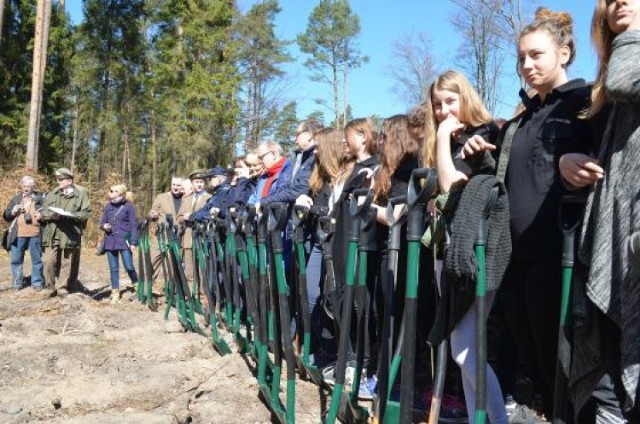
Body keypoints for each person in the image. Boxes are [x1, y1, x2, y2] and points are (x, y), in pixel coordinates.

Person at [462, 8, 594, 419]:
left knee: (567, 370)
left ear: (565, 52)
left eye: (536, 55)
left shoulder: (586, 103)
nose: (526, 65)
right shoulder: (522, 120)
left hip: (560, 260)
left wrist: (582, 159)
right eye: (521, 57)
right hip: (513, 259)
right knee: (534, 368)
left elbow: (609, 164)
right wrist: (478, 155)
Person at [560, 1, 640, 421]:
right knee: (605, 388)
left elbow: (628, 79)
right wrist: (566, 163)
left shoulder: (626, 69)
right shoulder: (605, 87)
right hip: (607, 250)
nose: (619, 1)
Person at [423, 70, 506, 424]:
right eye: (438, 104)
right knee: (463, 352)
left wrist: (442, 139)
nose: (443, 111)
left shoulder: (482, 134)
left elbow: (449, 185)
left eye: (451, 101)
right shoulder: (451, 140)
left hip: (477, 254)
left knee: (469, 353)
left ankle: (498, 419)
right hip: (448, 253)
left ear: (466, 97)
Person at [41, 168, 91, 296]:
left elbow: (86, 213)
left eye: (61, 179)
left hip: (70, 233)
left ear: (69, 180)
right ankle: (49, 287)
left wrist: (72, 215)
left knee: (67, 262)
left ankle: (63, 287)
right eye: (58, 179)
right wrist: (51, 216)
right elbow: (44, 211)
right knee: (48, 260)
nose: (58, 182)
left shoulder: (81, 195)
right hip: (53, 232)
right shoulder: (53, 193)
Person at [261, 119, 323, 206]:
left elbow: (298, 191)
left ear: (309, 135)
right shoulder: (304, 159)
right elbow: (288, 188)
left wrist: (264, 201)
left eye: (297, 134)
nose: (295, 139)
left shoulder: (314, 158)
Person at [2, 176, 45, 291]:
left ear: (33, 187)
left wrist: (42, 216)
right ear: (21, 186)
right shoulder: (16, 199)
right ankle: (17, 283)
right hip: (18, 235)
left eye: (29, 186)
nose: (26, 188)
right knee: (16, 260)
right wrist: (12, 211)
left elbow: (47, 213)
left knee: (37, 260)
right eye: (24, 186)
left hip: (35, 234)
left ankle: (37, 283)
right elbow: (6, 216)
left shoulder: (40, 199)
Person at [99, 184, 139, 303]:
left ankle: (137, 286)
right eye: (111, 190)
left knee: (129, 266)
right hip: (110, 241)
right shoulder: (108, 206)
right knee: (113, 268)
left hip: (124, 241)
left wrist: (134, 241)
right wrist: (104, 226)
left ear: (120, 194)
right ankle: (115, 292)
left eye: (114, 191)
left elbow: (133, 225)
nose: (110, 192)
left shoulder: (128, 206)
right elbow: (102, 222)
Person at [177, 170, 211, 285]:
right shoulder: (186, 199)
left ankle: (204, 296)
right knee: (189, 272)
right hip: (188, 240)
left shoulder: (209, 198)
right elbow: (179, 218)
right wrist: (184, 218)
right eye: (196, 182)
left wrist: (195, 218)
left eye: (201, 182)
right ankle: (192, 296)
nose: (199, 184)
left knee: (203, 270)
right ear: (192, 183)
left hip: (202, 238)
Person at [149, 176, 185, 282]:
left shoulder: (186, 199)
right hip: (161, 235)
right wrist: (153, 215)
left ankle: (171, 292)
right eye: (173, 184)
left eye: (178, 185)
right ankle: (146, 290)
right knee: (152, 263)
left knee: (172, 267)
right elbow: (152, 212)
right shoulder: (161, 197)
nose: (175, 187)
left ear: (182, 186)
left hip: (177, 237)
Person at [247, 141, 293, 207]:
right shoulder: (264, 177)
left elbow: (282, 197)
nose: (260, 162)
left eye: (261, 157)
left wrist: (261, 204)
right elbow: (252, 201)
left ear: (274, 154)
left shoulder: (289, 172)